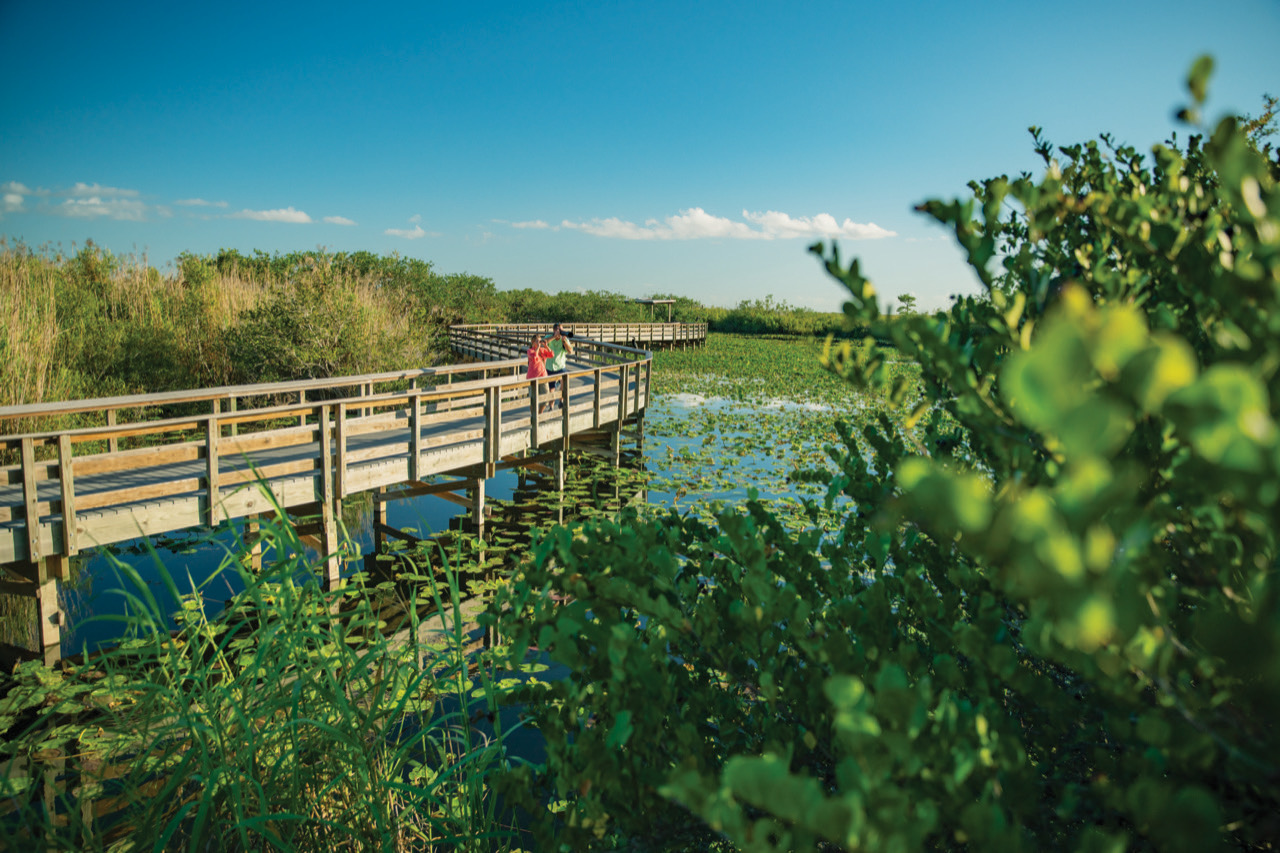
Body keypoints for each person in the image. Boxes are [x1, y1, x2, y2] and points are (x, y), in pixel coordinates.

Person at [544, 323, 575, 408]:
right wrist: (554, 336)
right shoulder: (549, 337)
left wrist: (564, 342)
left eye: (561, 330)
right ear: (554, 330)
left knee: (564, 381)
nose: (560, 332)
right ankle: (551, 406)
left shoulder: (563, 339)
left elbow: (570, 351)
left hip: (560, 366)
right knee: (551, 389)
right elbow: (543, 343)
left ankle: (561, 400)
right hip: (550, 367)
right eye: (559, 330)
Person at [526, 335, 553, 413]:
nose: (539, 343)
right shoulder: (530, 351)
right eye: (537, 341)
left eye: (540, 341)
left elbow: (551, 355)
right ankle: (533, 416)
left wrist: (546, 346)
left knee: (546, 397)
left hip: (543, 376)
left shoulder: (542, 350)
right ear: (533, 342)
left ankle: (540, 413)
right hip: (532, 377)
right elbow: (534, 357)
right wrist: (537, 348)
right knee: (533, 399)